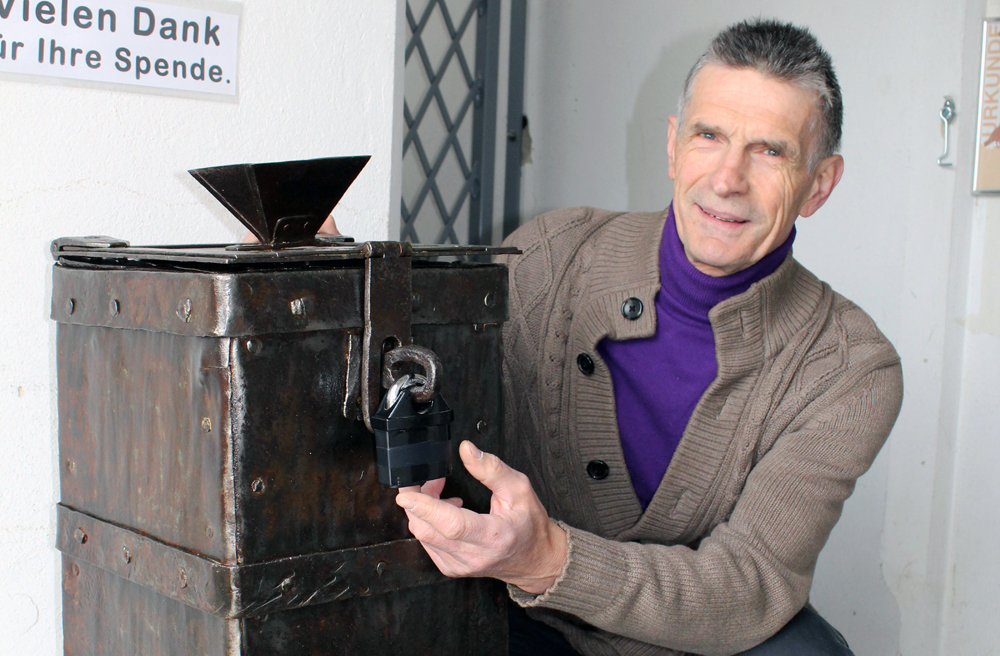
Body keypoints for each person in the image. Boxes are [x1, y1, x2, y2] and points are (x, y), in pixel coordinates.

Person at [394, 19, 903, 656]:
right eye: (709, 135)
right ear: (672, 144)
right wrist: (320, 281)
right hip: (515, 616)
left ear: (819, 185)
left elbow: (749, 585)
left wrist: (550, 560)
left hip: (696, 633)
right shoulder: (550, 255)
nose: (727, 178)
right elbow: (413, 357)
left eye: (770, 150)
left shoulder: (851, 367)